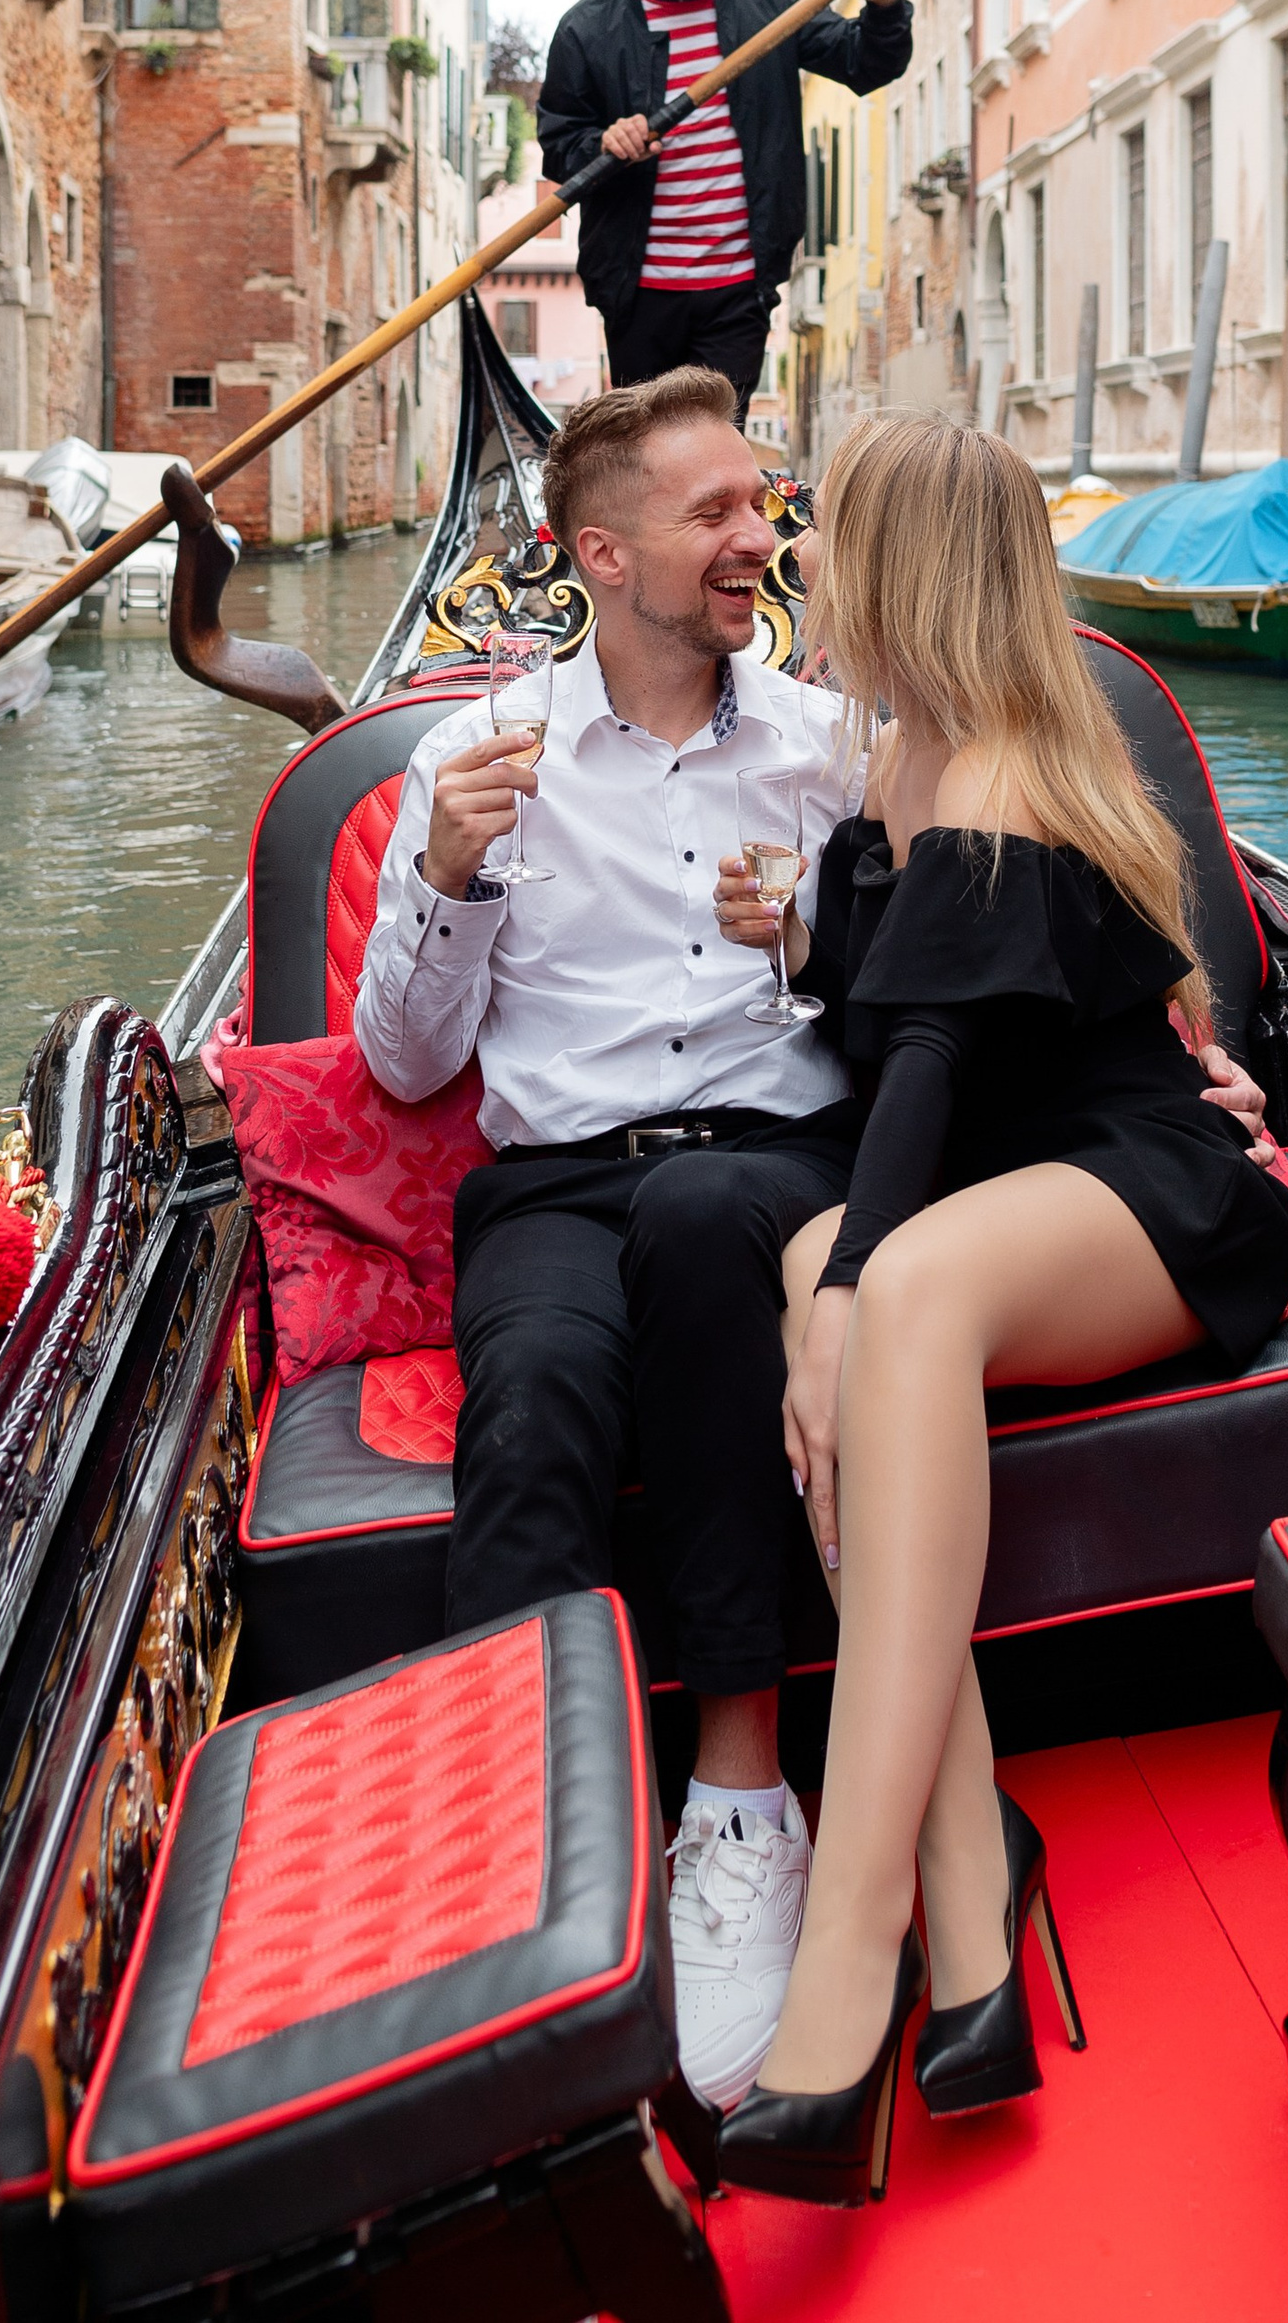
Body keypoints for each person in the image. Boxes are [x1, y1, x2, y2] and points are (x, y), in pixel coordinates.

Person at [709, 413, 1288, 2205]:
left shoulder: (998, 780)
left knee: (887, 1287)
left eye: (825, 534)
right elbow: (913, 1020)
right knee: (827, 1262)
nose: (800, 557)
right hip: (1020, 1184)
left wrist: (848, 1297)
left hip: (1156, 1195)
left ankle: (860, 1934)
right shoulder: (910, 756)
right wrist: (809, 945)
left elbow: (927, 1085)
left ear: (898, 567)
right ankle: (977, 1881)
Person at [352, 365, 863, 2117]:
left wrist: (816, 940)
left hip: (770, 1161)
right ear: (604, 551)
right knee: (544, 1379)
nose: (757, 533)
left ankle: (739, 1796)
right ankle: (518, 1838)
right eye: (716, 511)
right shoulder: (476, 754)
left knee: (717, 1219)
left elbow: (903, 1021)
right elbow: (406, 1062)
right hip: (558, 1178)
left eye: (763, 501)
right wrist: (452, 876)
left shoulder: (826, 746)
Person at [537, 0, 912, 417]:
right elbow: (559, 149)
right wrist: (605, 145)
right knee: (648, 452)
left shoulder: (773, 0)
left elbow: (865, 65)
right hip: (636, 292)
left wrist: (884, 3)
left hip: (739, 286)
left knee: (718, 443)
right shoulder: (588, 28)